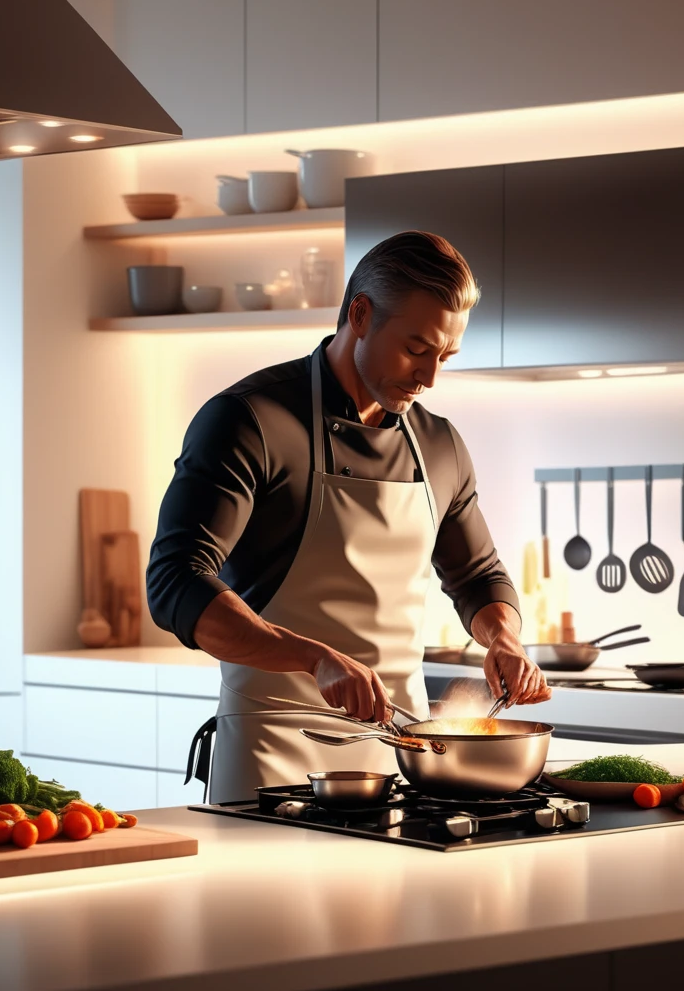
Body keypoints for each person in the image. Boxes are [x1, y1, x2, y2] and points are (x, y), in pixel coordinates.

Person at [147, 230, 550, 801]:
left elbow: (477, 576)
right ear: (360, 315)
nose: (430, 377)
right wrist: (314, 658)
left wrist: (504, 638)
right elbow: (174, 584)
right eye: (416, 348)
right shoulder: (249, 421)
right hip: (273, 755)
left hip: (405, 760)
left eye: (445, 356)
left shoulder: (439, 445)